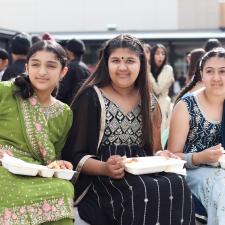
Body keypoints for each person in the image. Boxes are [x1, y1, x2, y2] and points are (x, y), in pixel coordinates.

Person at [62, 34, 195, 225]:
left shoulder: (150, 101)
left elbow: (154, 149)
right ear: (106, 63)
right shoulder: (91, 97)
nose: (122, 67)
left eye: (130, 61)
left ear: (141, 64)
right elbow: (74, 155)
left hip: (142, 170)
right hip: (102, 178)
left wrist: (163, 155)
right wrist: (105, 168)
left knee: (178, 183)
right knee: (141, 192)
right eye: (116, 60)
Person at [0, 40, 75, 225]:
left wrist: (59, 163)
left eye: (51, 66)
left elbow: (52, 157)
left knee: (64, 188)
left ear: (63, 71)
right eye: (35, 64)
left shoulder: (64, 113)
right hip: (3, 166)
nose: (42, 72)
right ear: (27, 67)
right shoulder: (6, 92)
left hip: (36, 172)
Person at [168, 47, 225, 225]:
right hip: (192, 173)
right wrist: (201, 157)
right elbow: (172, 156)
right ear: (201, 74)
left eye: (223, 71)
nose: (216, 78)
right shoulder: (186, 106)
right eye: (210, 71)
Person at [57, 38, 90, 105]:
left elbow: (62, 91)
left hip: (70, 107)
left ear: (70, 52)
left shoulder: (70, 67)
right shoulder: (85, 67)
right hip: (82, 105)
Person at [150, 43, 175, 132]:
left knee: (161, 132)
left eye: (163, 54)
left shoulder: (167, 69)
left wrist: (147, 73)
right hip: (149, 106)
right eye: (157, 53)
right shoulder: (149, 69)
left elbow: (158, 89)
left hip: (163, 105)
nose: (160, 56)